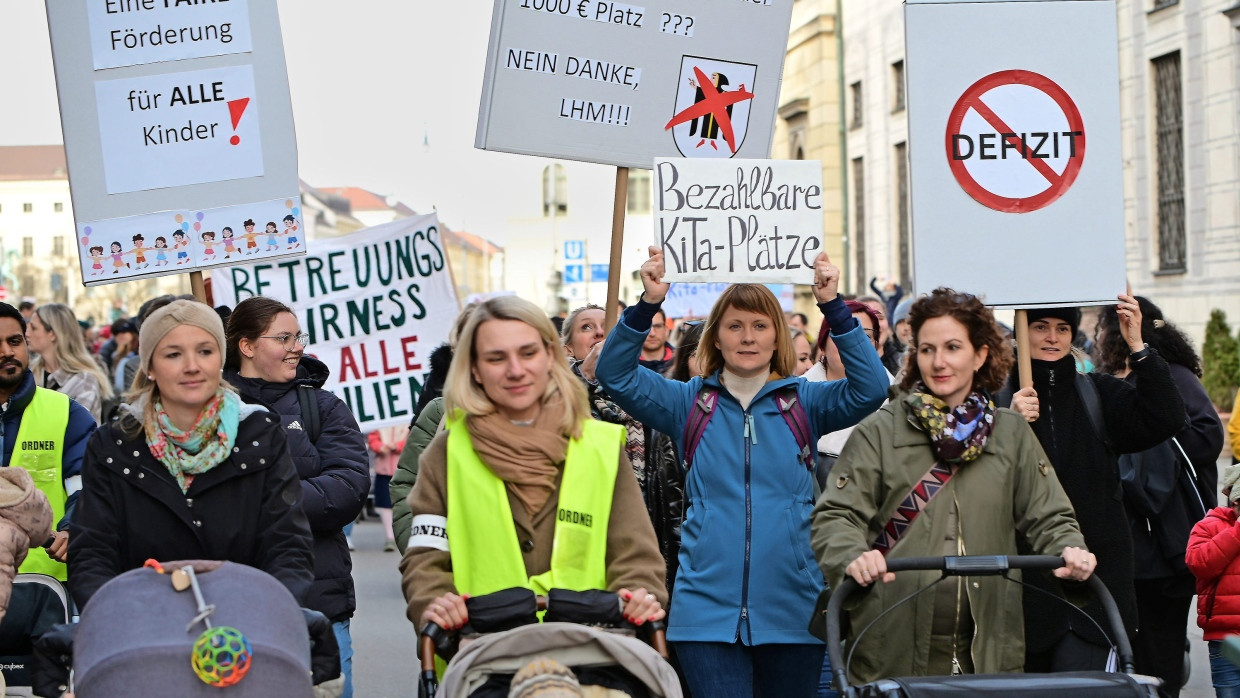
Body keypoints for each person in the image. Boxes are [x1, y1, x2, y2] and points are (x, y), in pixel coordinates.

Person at [595, 247, 887, 697]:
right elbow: (614, 373)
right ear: (716, 338)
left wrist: (832, 305)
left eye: (759, 326)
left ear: (777, 338)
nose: (747, 337)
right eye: (734, 326)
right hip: (705, 618)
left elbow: (871, 387)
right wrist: (648, 302)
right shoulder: (688, 402)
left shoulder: (805, 403)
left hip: (793, 610)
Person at [812, 288, 1095, 682]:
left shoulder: (1010, 433)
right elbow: (835, 517)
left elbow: (1049, 515)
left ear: (979, 354)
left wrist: (1069, 548)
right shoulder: (880, 431)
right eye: (927, 349)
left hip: (989, 651)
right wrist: (852, 557)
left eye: (952, 347)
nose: (939, 361)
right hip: (892, 645)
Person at [399, 295, 667, 644]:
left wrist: (639, 595)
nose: (515, 369)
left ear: (551, 358)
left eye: (528, 353)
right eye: (496, 358)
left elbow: (636, 555)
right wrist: (436, 601)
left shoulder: (601, 446)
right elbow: (425, 557)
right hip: (482, 655)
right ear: (475, 369)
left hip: (592, 656)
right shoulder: (447, 452)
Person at [68, 300, 314, 610]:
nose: (192, 366)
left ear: (220, 360)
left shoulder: (261, 435)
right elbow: (92, 553)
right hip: (144, 632)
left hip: (243, 633)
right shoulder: (114, 446)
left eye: (205, 351)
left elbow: (288, 545)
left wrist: (267, 613)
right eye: (173, 354)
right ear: (150, 367)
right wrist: (121, 619)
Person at [1006, 297, 1185, 672]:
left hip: (1098, 581)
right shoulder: (996, 400)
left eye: (1062, 328)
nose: (1052, 337)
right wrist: (1007, 423)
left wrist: (1138, 346)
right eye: (1040, 327)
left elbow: (1167, 417)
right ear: (1020, 334)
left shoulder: (1098, 392)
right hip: (1023, 588)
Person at [224, 296, 369, 698]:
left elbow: (347, 488)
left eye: (298, 336)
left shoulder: (322, 407)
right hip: (230, 603)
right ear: (248, 346)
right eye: (284, 338)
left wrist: (264, 501)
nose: (297, 347)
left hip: (317, 601)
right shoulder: (211, 408)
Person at [1095, 296, 1224, 698]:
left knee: (1161, 651)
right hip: (1138, 549)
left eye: (1100, 327)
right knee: (1138, 649)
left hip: (1169, 545)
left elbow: (1208, 436)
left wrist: (1153, 445)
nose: (1096, 336)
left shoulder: (1172, 376)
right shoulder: (1116, 382)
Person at [561, 304, 683, 593]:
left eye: (608, 325)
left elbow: (671, 488)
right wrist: (584, 378)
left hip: (640, 535)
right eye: (586, 327)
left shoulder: (645, 393)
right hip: (583, 534)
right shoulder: (555, 398)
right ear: (567, 349)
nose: (600, 332)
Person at [803, 299, 893, 490]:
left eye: (864, 336)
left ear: (876, 346)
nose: (851, 345)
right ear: (822, 345)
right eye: (840, 334)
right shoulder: (795, 399)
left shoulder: (898, 400)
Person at [1186, 464, 1240, 698]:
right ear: (1236, 502)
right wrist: (1237, 533)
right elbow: (1199, 563)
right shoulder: (1210, 525)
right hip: (1225, 640)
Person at [27, 303, 114, 424]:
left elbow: (78, 430)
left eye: (33, 328)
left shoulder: (84, 381)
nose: (27, 333)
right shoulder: (28, 373)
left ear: (52, 334)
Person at [368, 426, 407, 552]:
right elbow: (372, 439)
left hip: (403, 468)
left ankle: (403, 536)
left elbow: (412, 439)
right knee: (385, 504)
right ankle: (390, 537)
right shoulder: (380, 423)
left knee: (403, 504)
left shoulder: (407, 421)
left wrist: (397, 446)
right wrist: (380, 447)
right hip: (383, 469)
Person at [640, 308, 674, 373]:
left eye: (658, 326)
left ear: (666, 330)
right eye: (646, 326)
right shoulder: (626, 363)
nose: (652, 333)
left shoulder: (680, 362)